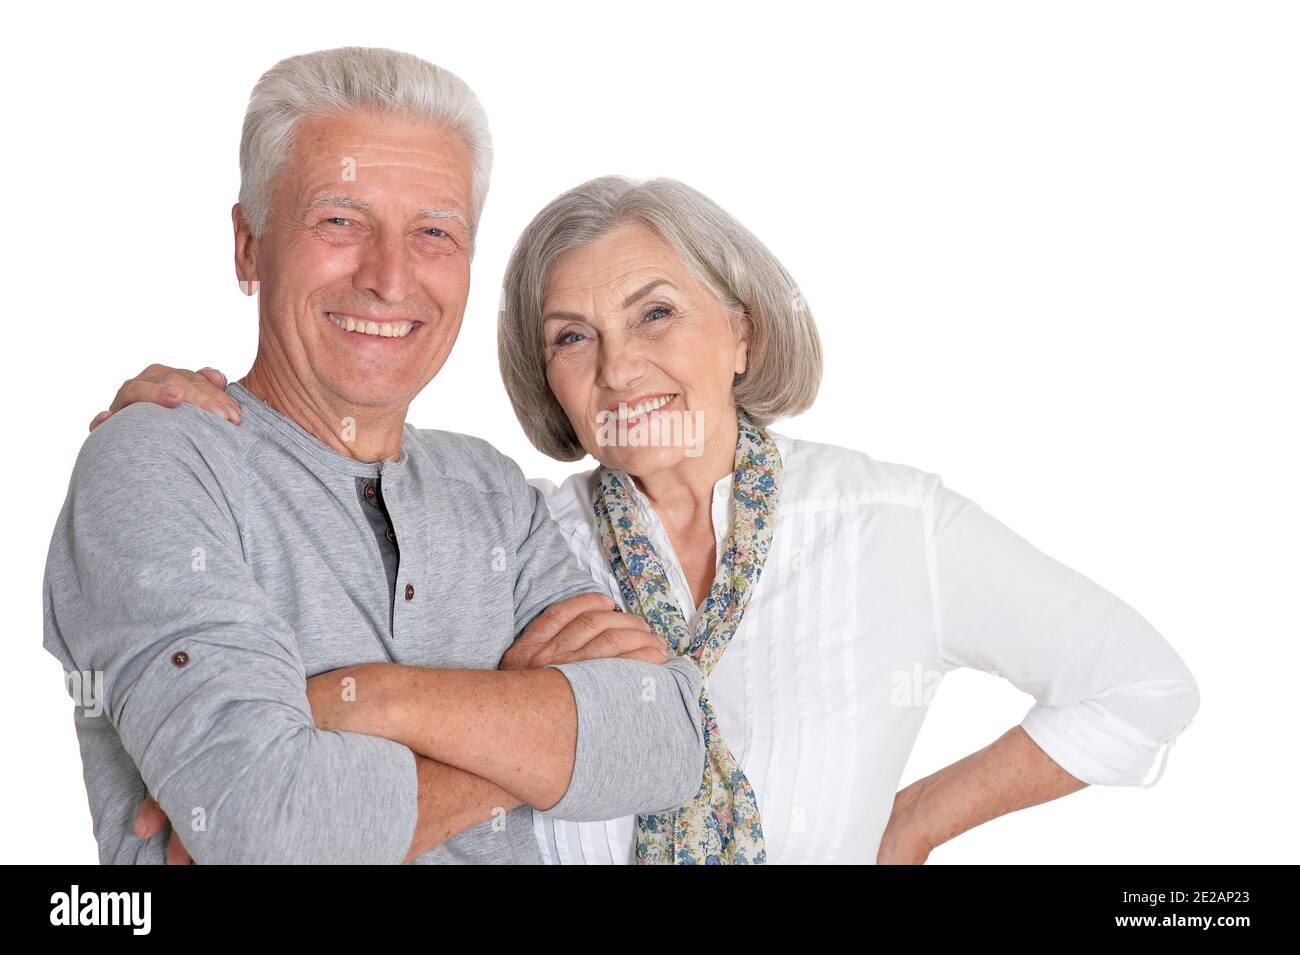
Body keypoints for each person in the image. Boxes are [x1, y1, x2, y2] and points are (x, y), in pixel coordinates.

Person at [104, 175, 1202, 864]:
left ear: (740, 330)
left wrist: (909, 827)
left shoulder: (888, 523)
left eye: (656, 314)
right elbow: (299, 645)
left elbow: (1140, 684)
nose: (619, 366)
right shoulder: (516, 545)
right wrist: (200, 434)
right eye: (571, 336)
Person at [42, 48, 706, 865]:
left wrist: (367, 702)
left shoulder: (492, 490)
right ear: (249, 246)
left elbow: (667, 736)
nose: (390, 278)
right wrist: (533, 740)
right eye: (340, 221)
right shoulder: (160, 461)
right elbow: (273, 830)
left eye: (434, 231)